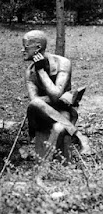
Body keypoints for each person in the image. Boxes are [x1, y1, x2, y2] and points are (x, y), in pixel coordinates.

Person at [22, 30, 91, 158]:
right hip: (39, 115)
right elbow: (36, 101)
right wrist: (61, 98)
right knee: (35, 103)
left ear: (38, 47)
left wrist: (41, 71)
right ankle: (78, 135)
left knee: (59, 128)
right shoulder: (30, 72)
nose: (22, 50)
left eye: (25, 46)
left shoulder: (63, 63)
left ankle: (45, 170)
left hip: (62, 111)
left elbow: (55, 94)